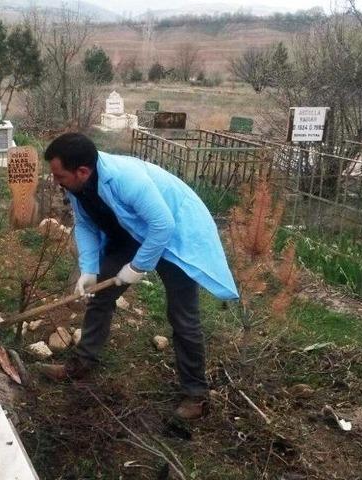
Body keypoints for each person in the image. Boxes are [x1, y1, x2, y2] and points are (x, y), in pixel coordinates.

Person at [38, 132, 238, 422]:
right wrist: (90, 269)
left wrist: (138, 267)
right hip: (131, 232)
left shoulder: (125, 179)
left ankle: (196, 395)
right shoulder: (77, 185)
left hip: (173, 234)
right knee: (100, 295)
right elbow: (84, 225)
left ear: (82, 171)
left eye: (60, 176)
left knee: (182, 315)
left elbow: (162, 225)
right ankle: (82, 364)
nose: (56, 182)